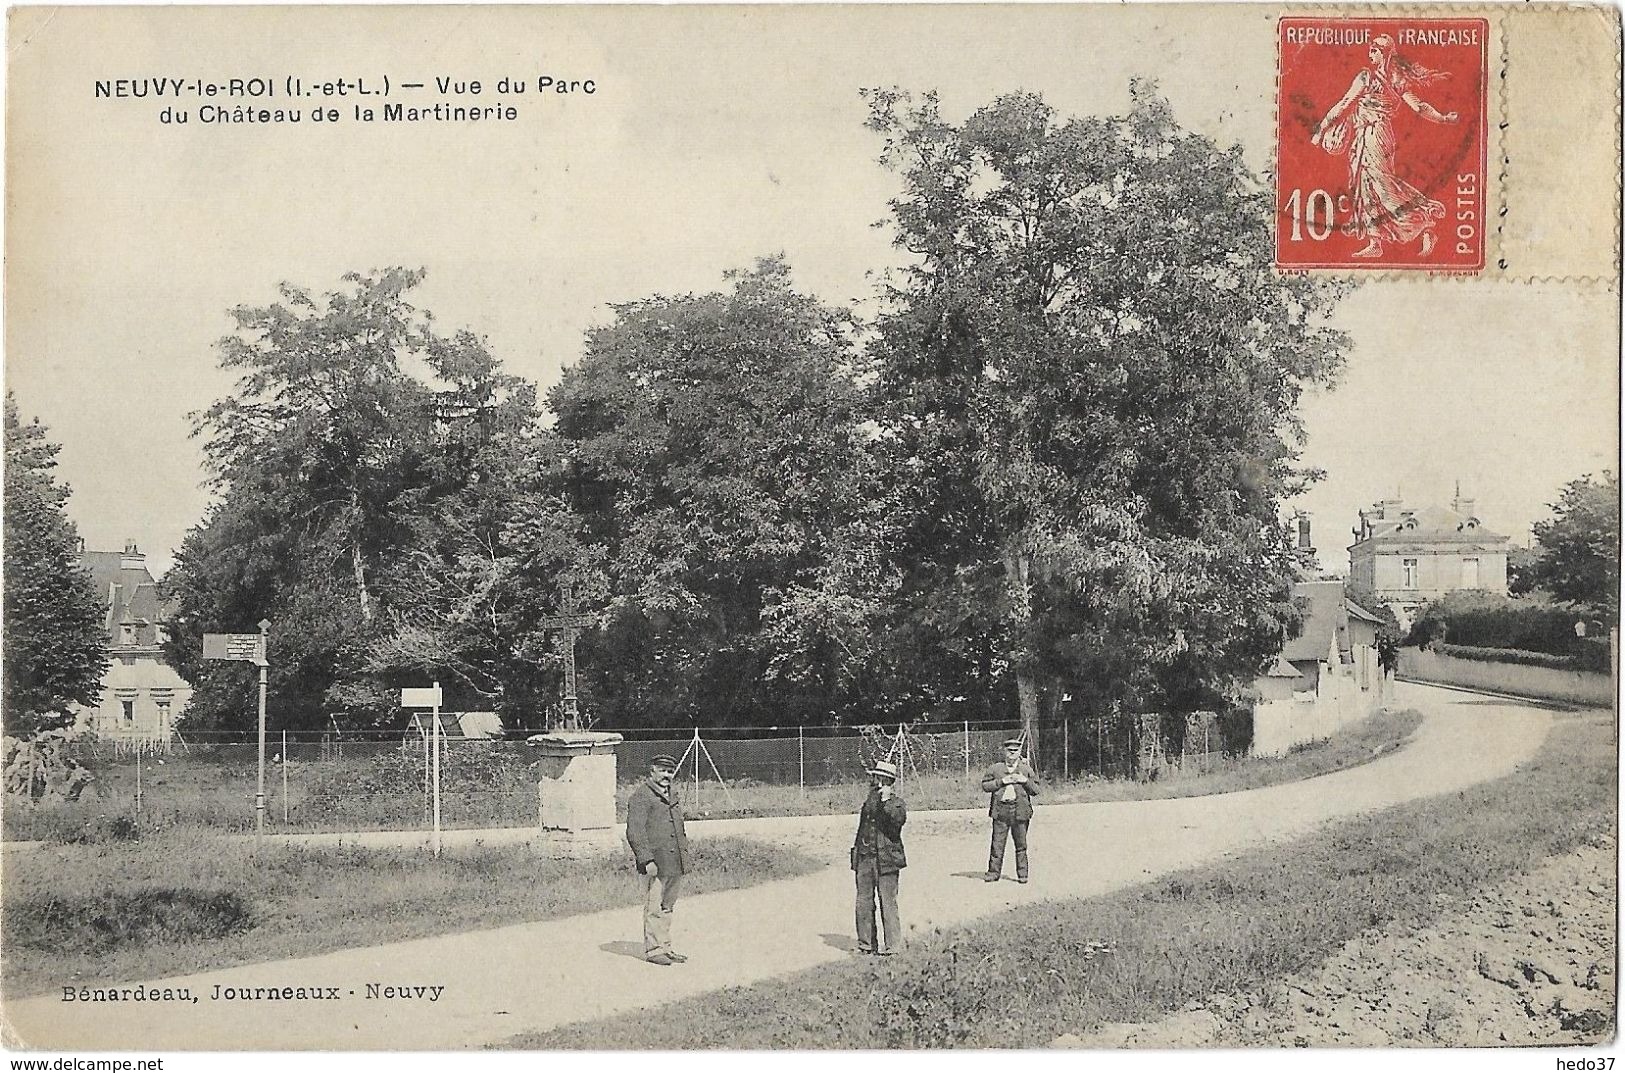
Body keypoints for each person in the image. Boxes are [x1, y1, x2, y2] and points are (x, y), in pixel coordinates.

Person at [1311, 33, 1460, 259]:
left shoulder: (1367, 77)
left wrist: (1321, 129)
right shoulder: (1397, 80)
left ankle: (1425, 222)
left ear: (1383, 53)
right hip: (1371, 135)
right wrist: (1443, 118)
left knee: (1381, 186)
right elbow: (1419, 107)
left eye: (1374, 50)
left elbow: (1344, 104)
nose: (1370, 54)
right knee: (1365, 187)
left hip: (1374, 136)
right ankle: (1376, 242)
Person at [625, 753, 691, 966]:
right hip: (655, 863)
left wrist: (684, 857)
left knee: (667, 907)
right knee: (654, 906)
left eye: (670, 771)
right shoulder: (641, 796)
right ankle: (654, 950)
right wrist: (646, 860)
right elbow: (635, 831)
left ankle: (666, 947)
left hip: (674, 862)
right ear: (651, 771)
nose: (666, 775)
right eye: (662, 770)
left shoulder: (673, 795)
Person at [852, 758, 907, 955]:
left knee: (888, 903)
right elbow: (862, 829)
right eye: (875, 777)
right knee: (863, 903)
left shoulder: (897, 804)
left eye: (880, 778)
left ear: (888, 781)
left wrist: (886, 801)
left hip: (887, 860)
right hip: (865, 859)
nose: (875, 781)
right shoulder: (869, 801)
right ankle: (866, 945)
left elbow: (897, 822)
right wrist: (856, 856)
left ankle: (893, 947)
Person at [981, 737, 1041, 883]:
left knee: (1021, 845)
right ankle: (993, 873)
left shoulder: (1026, 770)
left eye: (1015, 751)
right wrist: (1001, 782)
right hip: (1001, 811)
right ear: (1004, 751)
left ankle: (1022, 874)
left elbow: (1036, 790)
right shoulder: (995, 769)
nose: (1012, 753)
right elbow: (985, 786)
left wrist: (1024, 781)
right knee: (997, 844)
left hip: (1020, 811)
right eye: (1009, 750)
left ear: (1019, 752)